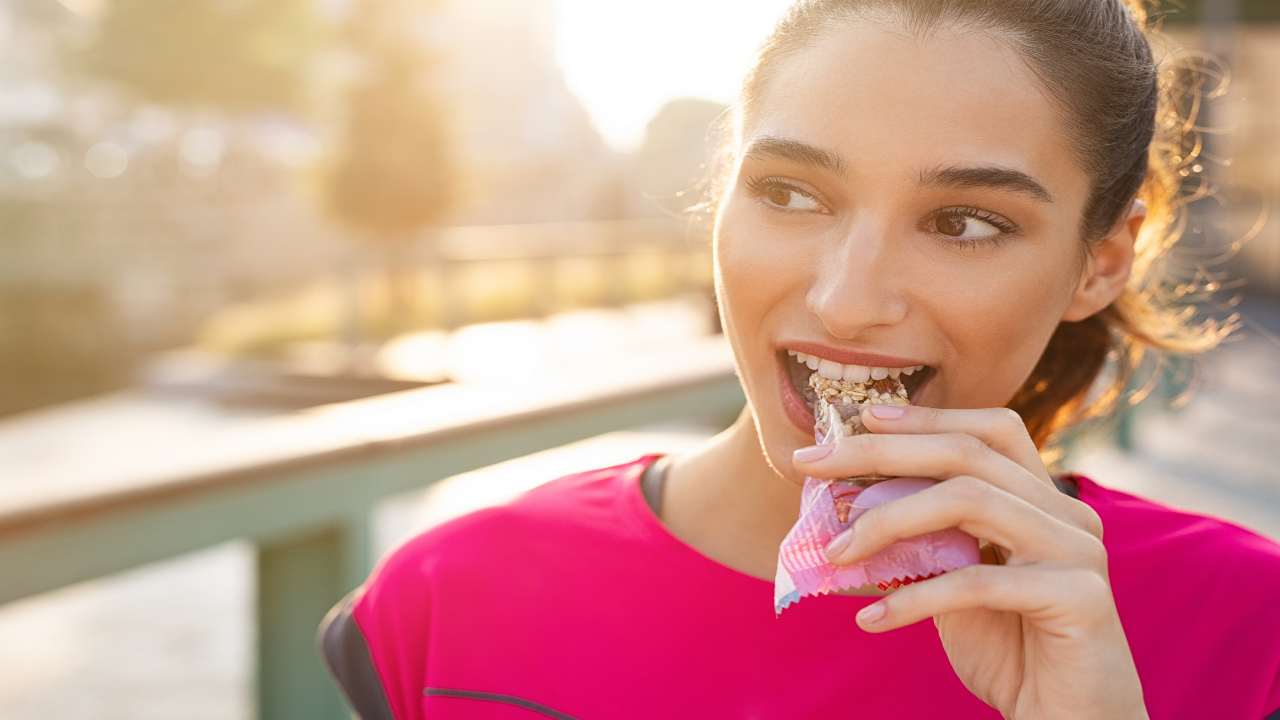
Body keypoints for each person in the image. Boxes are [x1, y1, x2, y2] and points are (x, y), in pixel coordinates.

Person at [317, 1, 1280, 718]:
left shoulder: (1246, 635)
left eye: (965, 222)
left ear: (1099, 263)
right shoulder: (447, 604)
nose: (845, 300)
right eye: (790, 193)